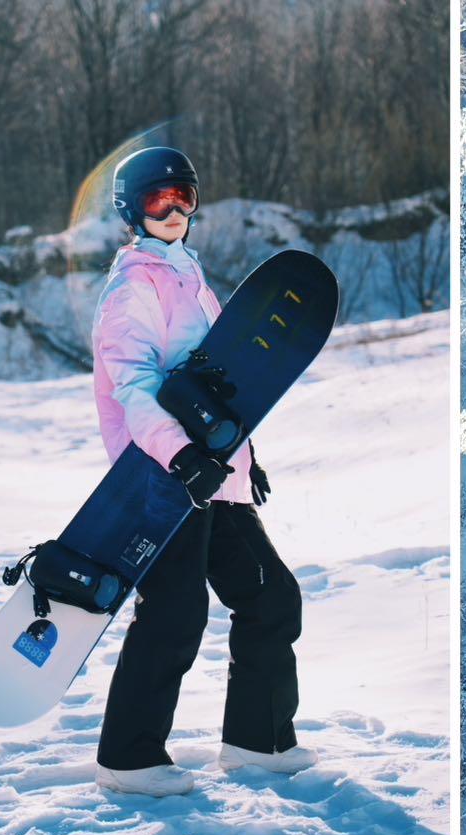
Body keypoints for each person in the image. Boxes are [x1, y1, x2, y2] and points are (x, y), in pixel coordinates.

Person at [91, 145, 314, 797]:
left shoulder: (188, 275)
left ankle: (259, 742)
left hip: (215, 478)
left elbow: (223, 384)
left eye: (184, 197)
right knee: (175, 613)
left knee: (272, 596)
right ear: (133, 210)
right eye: (160, 200)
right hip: (166, 478)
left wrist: (245, 460)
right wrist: (180, 455)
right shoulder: (134, 285)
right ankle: (128, 759)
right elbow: (132, 387)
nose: (174, 210)